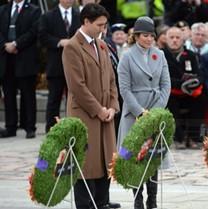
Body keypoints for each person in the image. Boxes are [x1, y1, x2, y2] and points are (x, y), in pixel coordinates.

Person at [62, 4, 119, 209]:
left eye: (105, 25)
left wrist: (112, 106)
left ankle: (102, 202)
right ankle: (86, 205)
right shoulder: (72, 47)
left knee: (105, 161)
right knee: (86, 163)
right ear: (86, 21)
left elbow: (112, 78)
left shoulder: (101, 44)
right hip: (85, 115)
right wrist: (99, 110)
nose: (103, 29)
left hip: (106, 114)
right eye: (99, 25)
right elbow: (77, 86)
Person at [117, 16, 170, 209]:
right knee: (136, 156)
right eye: (145, 35)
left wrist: (156, 112)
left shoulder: (160, 55)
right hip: (134, 111)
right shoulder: (127, 56)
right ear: (136, 36)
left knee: (154, 155)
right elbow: (124, 89)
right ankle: (137, 197)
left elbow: (166, 84)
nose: (149, 39)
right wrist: (140, 112)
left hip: (155, 108)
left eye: (151, 36)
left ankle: (153, 198)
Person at [0, 0, 41, 138]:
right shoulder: (3, 9)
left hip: (24, 56)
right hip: (6, 57)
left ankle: (30, 127)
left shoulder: (34, 10)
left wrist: (16, 44)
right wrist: (5, 45)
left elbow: (33, 31)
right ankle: (10, 126)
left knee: (28, 94)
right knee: (9, 93)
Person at [39, 0, 81, 133]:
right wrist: (59, 42)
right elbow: (42, 37)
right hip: (55, 64)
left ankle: (74, 129)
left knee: (74, 99)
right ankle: (51, 129)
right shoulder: (48, 16)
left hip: (75, 65)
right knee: (54, 99)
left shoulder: (79, 15)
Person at [163, 26, 204, 149]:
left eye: (177, 37)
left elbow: (200, 74)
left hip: (188, 91)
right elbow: (160, 77)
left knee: (201, 99)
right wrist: (180, 84)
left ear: (183, 39)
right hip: (170, 91)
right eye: (172, 37)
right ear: (166, 39)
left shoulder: (190, 55)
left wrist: (196, 82)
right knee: (170, 103)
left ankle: (193, 137)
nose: (175, 40)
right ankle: (178, 138)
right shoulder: (160, 54)